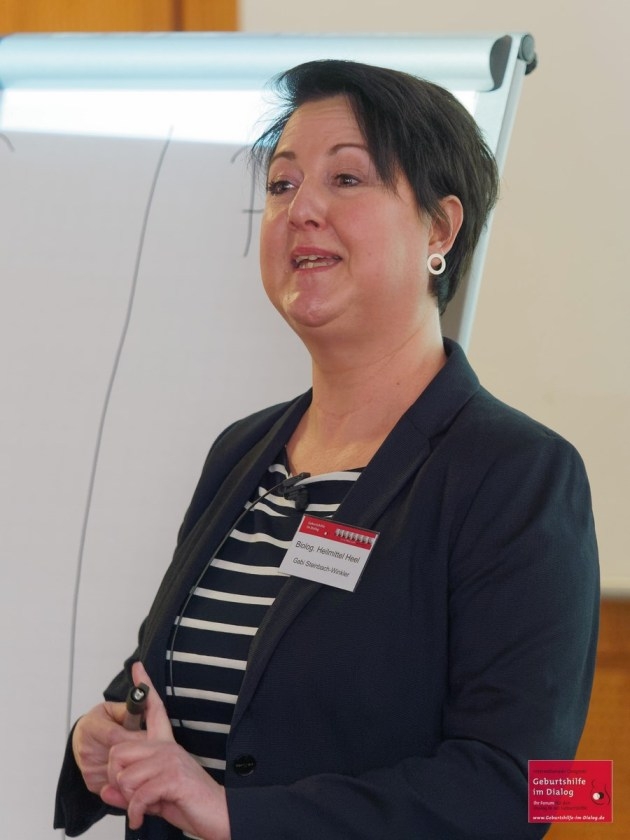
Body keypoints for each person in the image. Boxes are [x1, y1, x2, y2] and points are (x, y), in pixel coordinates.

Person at [54, 59, 599, 840]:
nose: (300, 209)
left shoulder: (519, 475)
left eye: (346, 179)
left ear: (440, 229)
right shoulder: (242, 453)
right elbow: (168, 685)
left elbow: (529, 791)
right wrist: (101, 737)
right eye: (282, 185)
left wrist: (238, 816)